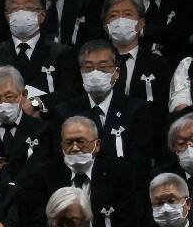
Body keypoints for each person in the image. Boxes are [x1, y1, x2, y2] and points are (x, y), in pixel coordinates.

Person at [22, 116, 137, 227]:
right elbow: (37, 224)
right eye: (69, 143)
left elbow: (129, 222)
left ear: (97, 145)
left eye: (81, 142)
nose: (75, 148)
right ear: (62, 146)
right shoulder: (44, 175)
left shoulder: (120, 173)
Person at [51, 40, 154, 176]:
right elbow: (59, 160)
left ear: (116, 73)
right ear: (81, 72)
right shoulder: (64, 112)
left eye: (103, 67)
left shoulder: (136, 110)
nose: (95, 73)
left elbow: (140, 162)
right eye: (88, 68)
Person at [0, 0, 79, 104]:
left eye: (28, 8)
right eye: (14, 9)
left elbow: (70, 92)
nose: (21, 13)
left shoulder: (62, 54)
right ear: (7, 16)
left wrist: (36, 104)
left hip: (48, 120)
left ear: (42, 15)